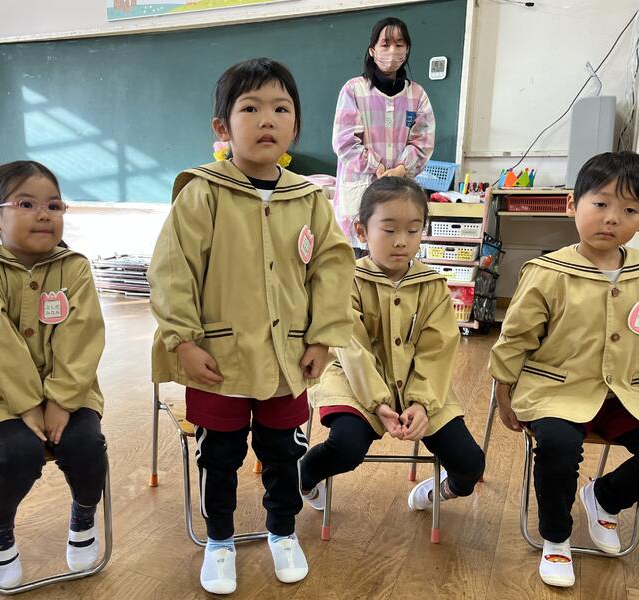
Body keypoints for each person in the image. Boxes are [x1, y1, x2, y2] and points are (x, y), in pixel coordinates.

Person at [148, 58, 355, 595]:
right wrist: (183, 341)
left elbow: (333, 269)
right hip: (219, 359)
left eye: (281, 109)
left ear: (295, 126)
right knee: (219, 455)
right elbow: (172, 271)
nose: (267, 119)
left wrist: (322, 336)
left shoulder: (308, 199)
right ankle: (218, 540)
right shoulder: (203, 192)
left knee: (283, 451)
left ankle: (283, 531)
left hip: (287, 358)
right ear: (223, 127)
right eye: (251, 108)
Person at [0, 160, 107, 589]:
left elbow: (82, 336)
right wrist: (30, 404)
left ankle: (84, 514)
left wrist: (61, 401)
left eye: (54, 205)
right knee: (18, 455)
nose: (44, 214)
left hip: (67, 388)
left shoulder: (74, 266)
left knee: (88, 447)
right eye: (27, 204)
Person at [490, 151, 639, 588]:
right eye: (601, 204)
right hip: (556, 391)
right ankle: (556, 536)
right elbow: (514, 338)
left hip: (623, 392)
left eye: (630, 210)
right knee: (557, 445)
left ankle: (604, 497)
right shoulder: (547, 271)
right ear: (573, 204)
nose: (612, 218)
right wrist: (503, 392)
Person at [299, 176, 484, 523]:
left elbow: (437, 350)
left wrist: (422, 402)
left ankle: (437, 492)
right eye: (389, 229)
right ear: (361, 231)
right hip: (354, 381)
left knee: (471, 463)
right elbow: (351, 348)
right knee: (347, 446)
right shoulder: (347, 280)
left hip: (419, 382)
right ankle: (304, 477)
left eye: (413, 230)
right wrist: (378, 403)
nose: (402, 241)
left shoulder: (432, 286)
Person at [333, 16, 435, 256]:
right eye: (385, 44)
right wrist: (377, 167)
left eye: (399, 44)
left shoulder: (417, 95)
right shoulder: (354, 89)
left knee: (395, 255)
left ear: (407, 50)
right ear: (372, 50)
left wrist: (401, 169)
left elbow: (423, 141)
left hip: (399, 193)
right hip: (359, 194)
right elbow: (345, 141)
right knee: (358, 264)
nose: (392, 51)